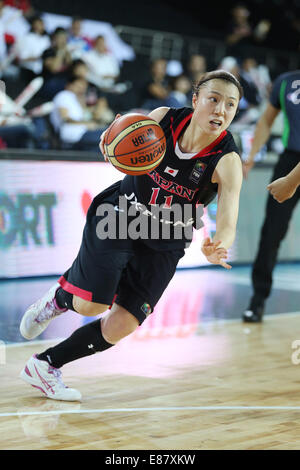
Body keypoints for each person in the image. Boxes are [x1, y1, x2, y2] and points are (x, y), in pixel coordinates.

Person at [19, 70, 243, 401]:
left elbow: (228, 216)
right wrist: (111, 143)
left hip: (167, 239)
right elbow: (122, 147)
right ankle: (60, 298)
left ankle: (45, 366)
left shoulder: (227, 159)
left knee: (121, 324)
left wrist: (219, 245)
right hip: (121, 216)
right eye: (214, 100)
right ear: (195, 100)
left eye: (231, 105)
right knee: (92, 305)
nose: (221, 110)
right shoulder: (162, 120)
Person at [242, 70, 300, 323]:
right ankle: (257, 301)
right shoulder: (285, 81)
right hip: (290, 159)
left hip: (291, 172)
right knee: (272, 232)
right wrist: (251, 155)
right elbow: (266, 120)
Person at [50, 75, 110, 152]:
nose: (82, 88)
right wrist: (86, 124)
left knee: (105, 139)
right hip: (72, 133)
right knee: (107, 135)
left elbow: (88, 117)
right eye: (79, 85)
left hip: (83, 132)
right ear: (69, 85)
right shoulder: (64, 95)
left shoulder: (76, 99)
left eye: (84, 85)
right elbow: (65, 118)